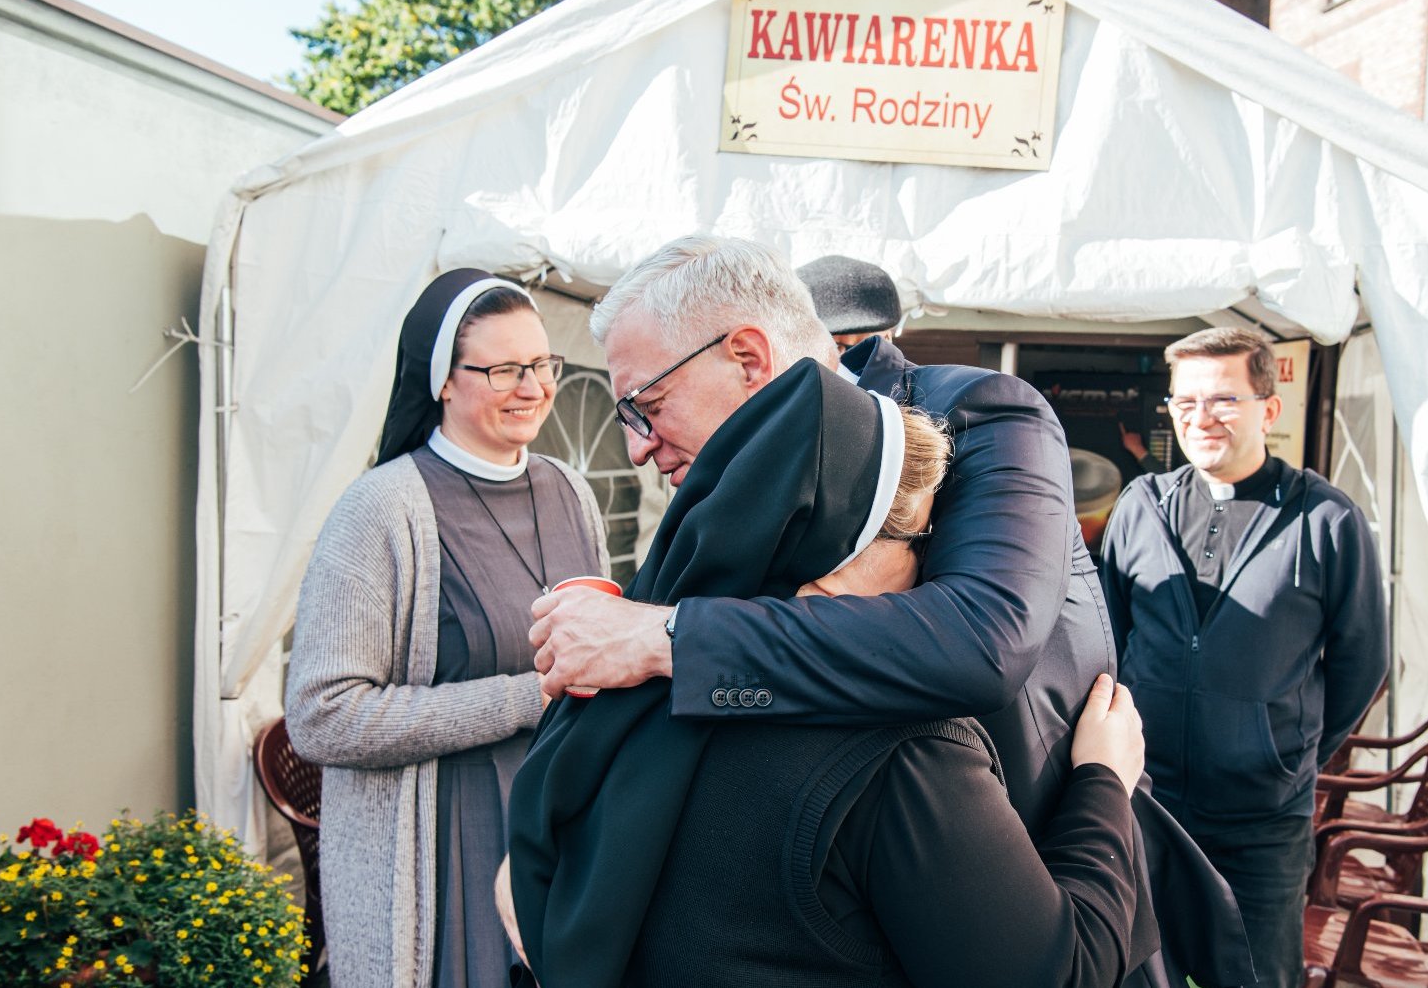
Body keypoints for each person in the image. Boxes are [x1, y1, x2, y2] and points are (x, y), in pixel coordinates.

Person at [526, 240, 1250, 988]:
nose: (637, 449)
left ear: (747, 358)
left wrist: (665, 637)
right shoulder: (745, 536)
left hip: (1027, 866)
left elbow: (983, 641)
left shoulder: (977, 415)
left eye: (647, 406)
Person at [284, 270, 609, 988]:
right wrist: (530, 697)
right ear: (442, 381)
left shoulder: (570, 492)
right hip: (445, 847)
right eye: (503, 369)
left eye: (542, 364)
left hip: (567, 840)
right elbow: (322, 717)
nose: (533, 387)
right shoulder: (380, 509)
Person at [1098, 326, 1390, 988]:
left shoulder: (1327, 522)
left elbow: (1362, 664)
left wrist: (1284, 754)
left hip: (1261, 821)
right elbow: (1107, 641)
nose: (1202, 419)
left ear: (1269, 407)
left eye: (1225, 400)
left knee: (1257, 977)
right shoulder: (1141, 507)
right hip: (1149, 804)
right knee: (1135, 972)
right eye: (1186, 402)